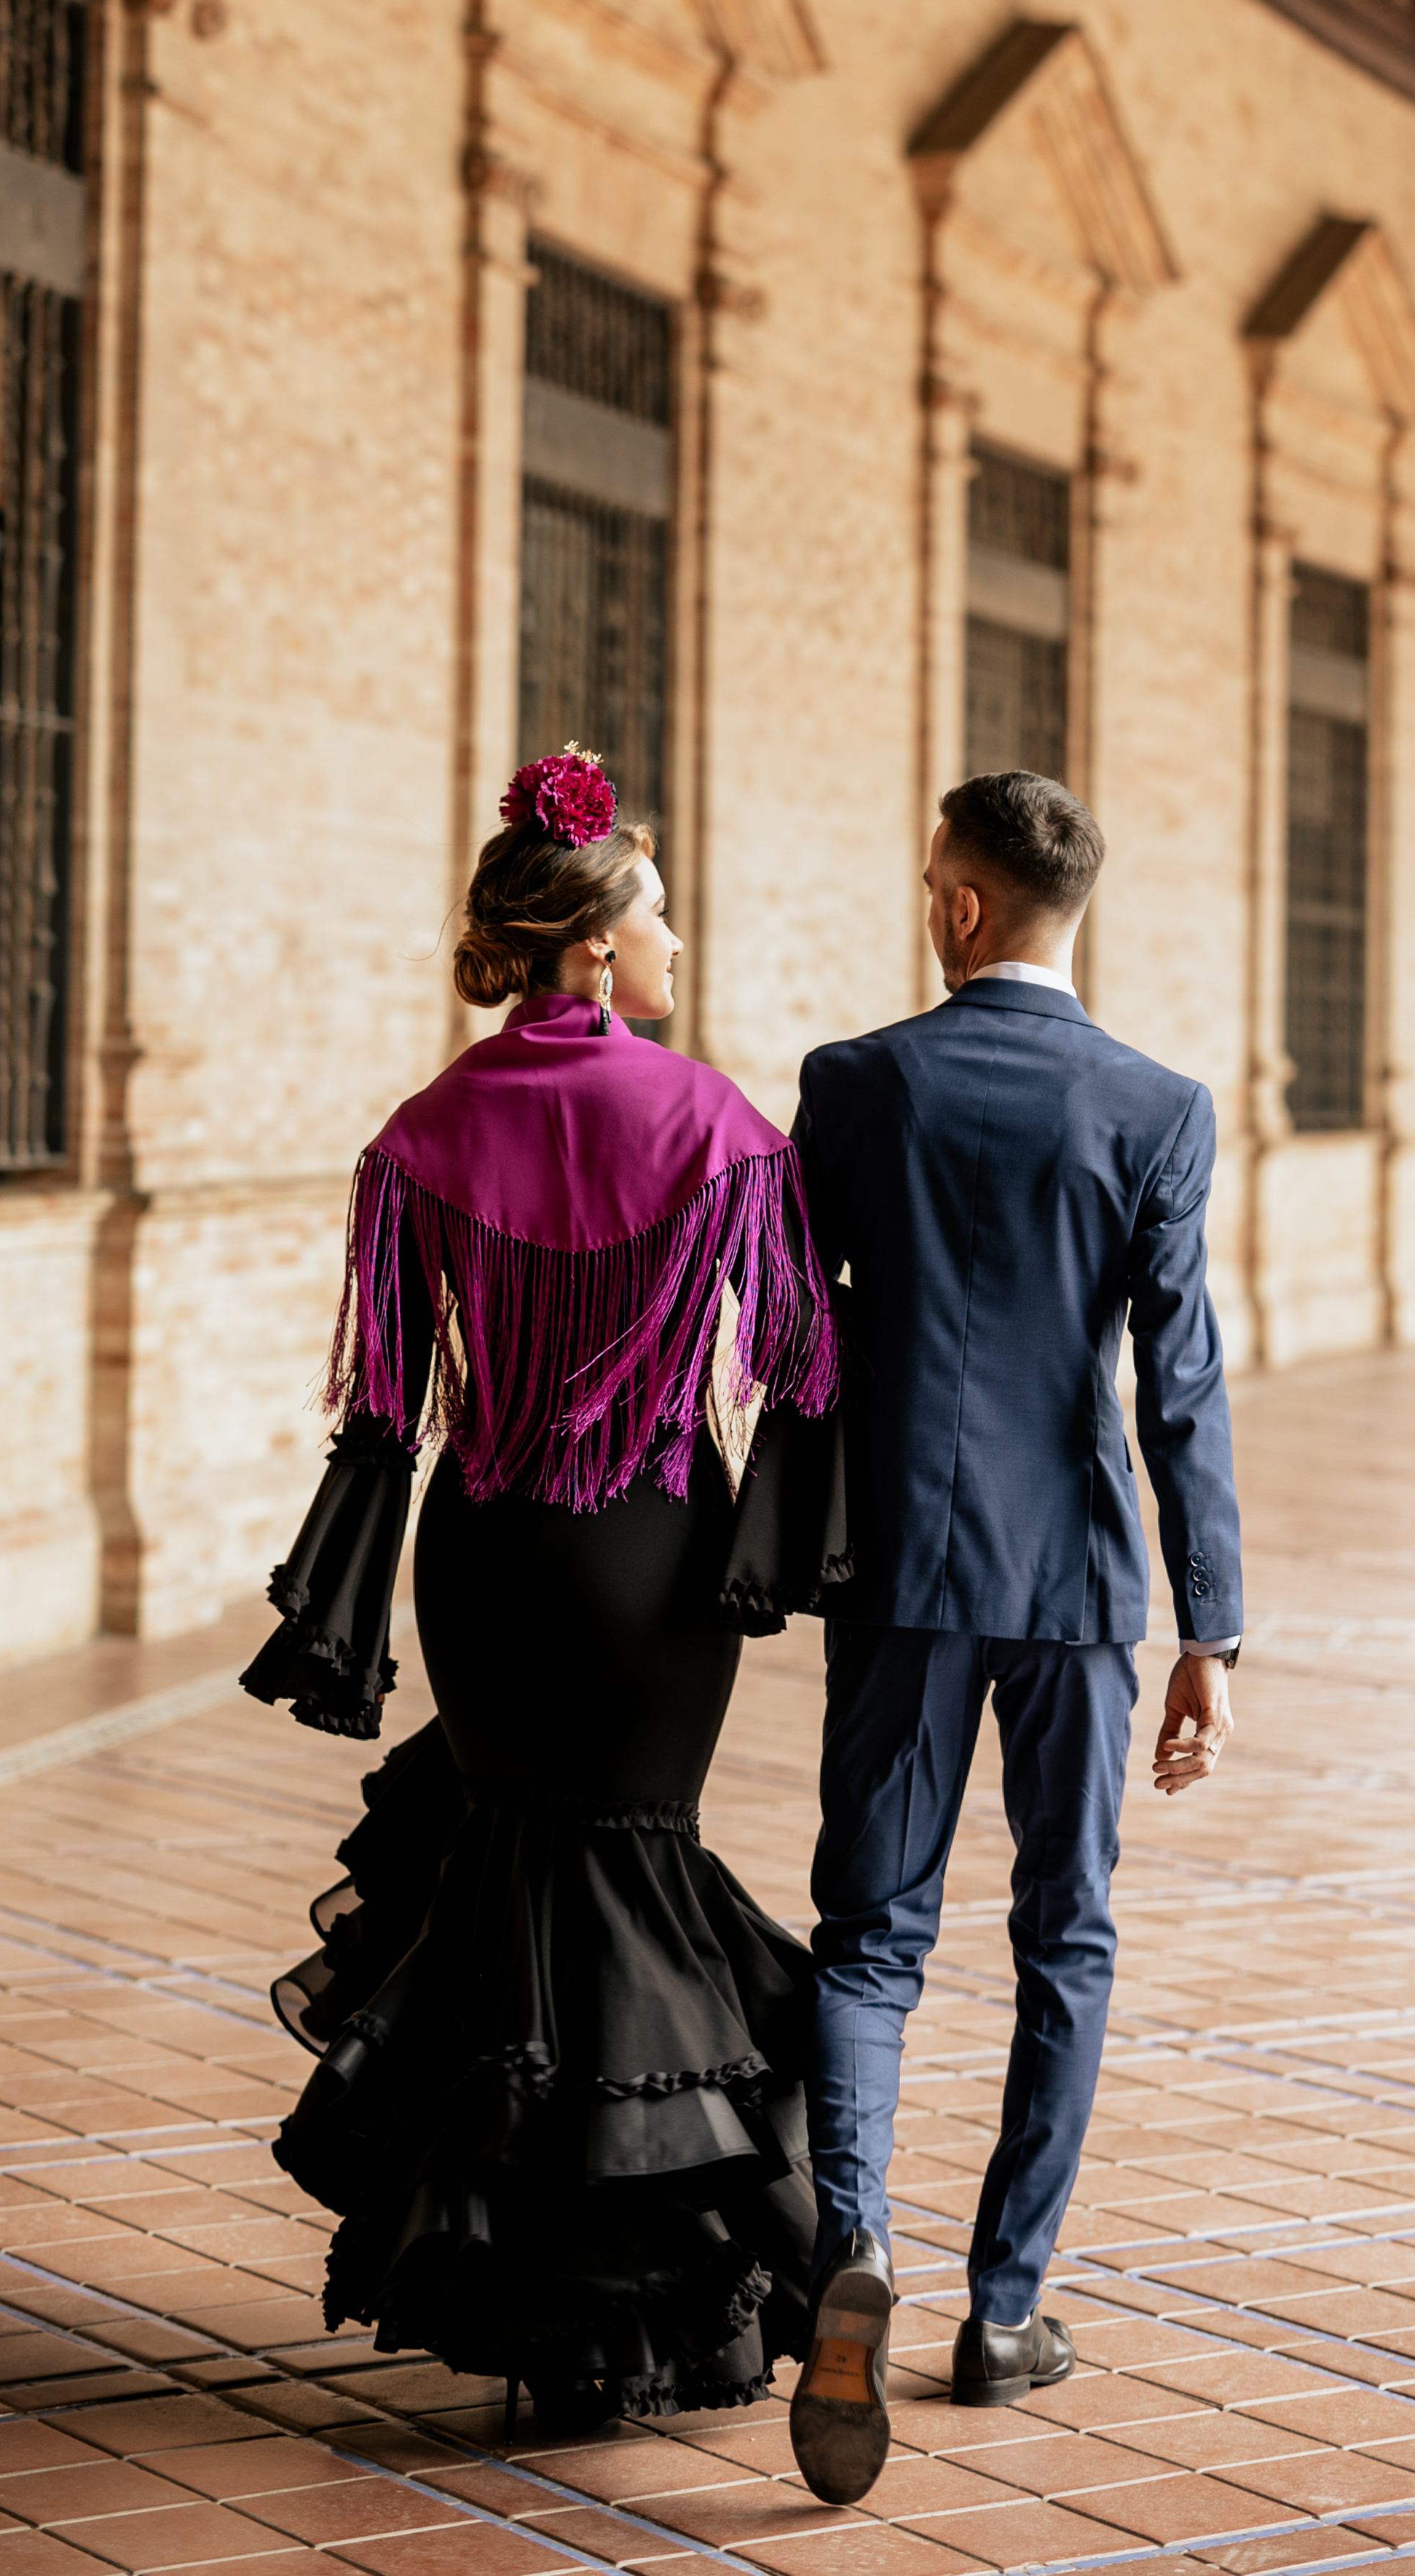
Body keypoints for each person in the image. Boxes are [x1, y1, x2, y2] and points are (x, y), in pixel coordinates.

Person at [241, 748, 846, 2433]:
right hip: (653, 1555)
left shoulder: (422, 1135)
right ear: (588, 945)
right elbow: (801, 1361)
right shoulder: (715, 1121)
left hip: (488, 1552)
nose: (674, 940)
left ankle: (567, 2322)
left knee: (529, 1897)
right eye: (654, 911)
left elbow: (383, 1403)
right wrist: (775, 1554)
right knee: (634, 1878)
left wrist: (337, 1604)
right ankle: (773, 2248)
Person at [783, 769, 1244, 2505]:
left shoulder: (853, 1085)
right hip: (1075, 1584)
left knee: (870, 1934)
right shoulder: (1158, 1106)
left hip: (899, 1566)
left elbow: (786, 1329)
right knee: (1067, 1933)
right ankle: (1004, 2308)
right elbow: (1178, 1383)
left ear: (966, 907)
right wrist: (1214, 1625)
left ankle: (855, 2239)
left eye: (929, 884)